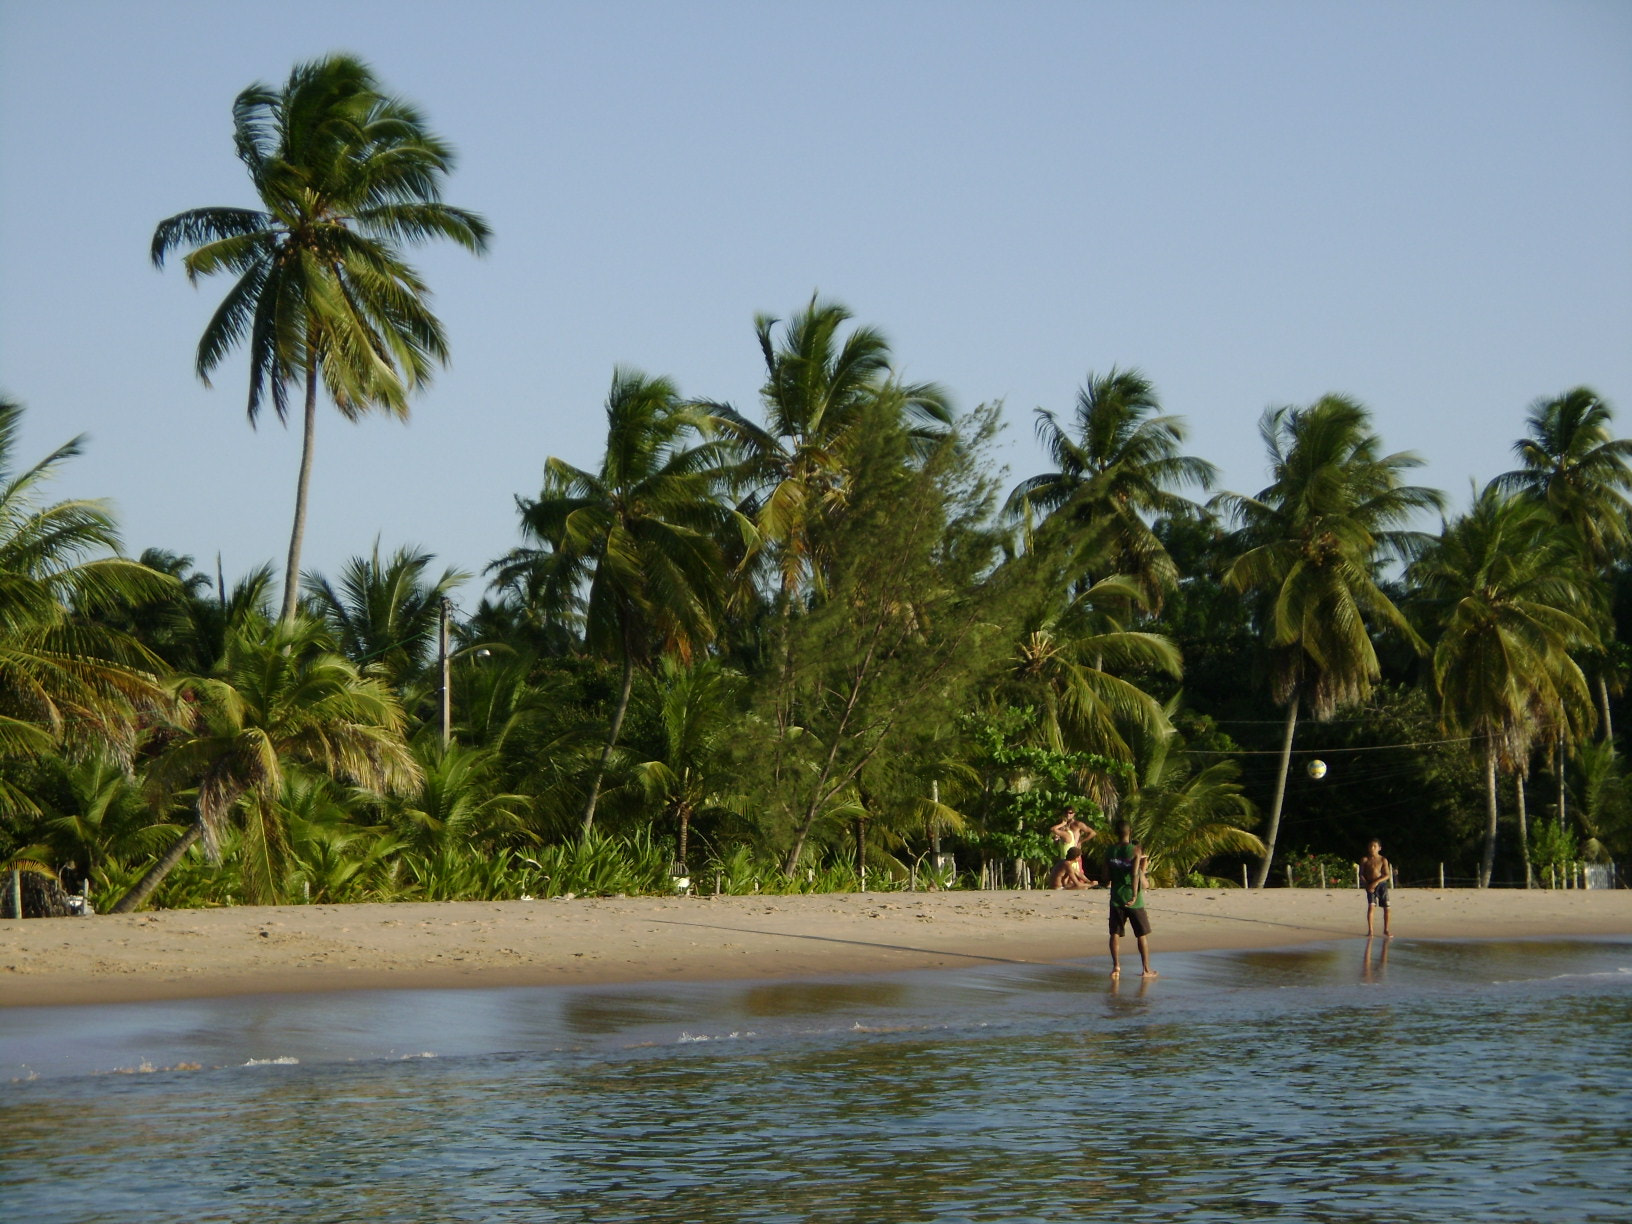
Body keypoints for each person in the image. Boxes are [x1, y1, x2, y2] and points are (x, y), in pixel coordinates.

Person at [1104, 820, 1155, 978]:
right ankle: (1146, 970)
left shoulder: (1109, 851)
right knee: (1141, 934)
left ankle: (1116, 967)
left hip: (1116, 897)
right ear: (1130, 832)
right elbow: (1134, 874)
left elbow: (1105, 877)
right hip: (1133, 899)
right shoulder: (1135, 850)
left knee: (1115, 933)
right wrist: (1134, 895)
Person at [1359, 838, 1393, 938]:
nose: (1372, 848)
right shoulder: (1365, 859)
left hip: (1381, 885)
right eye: (1370, 846)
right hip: (1369, 885)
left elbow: (1387, 875)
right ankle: (1370, 930)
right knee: (1371, 907)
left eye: (1374, 846)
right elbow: (1361, 874)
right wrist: (1367, 885)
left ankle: (1386, 930)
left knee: (1387, 908)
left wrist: (1376, 882)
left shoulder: (1383, 859)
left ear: (1379, 848)